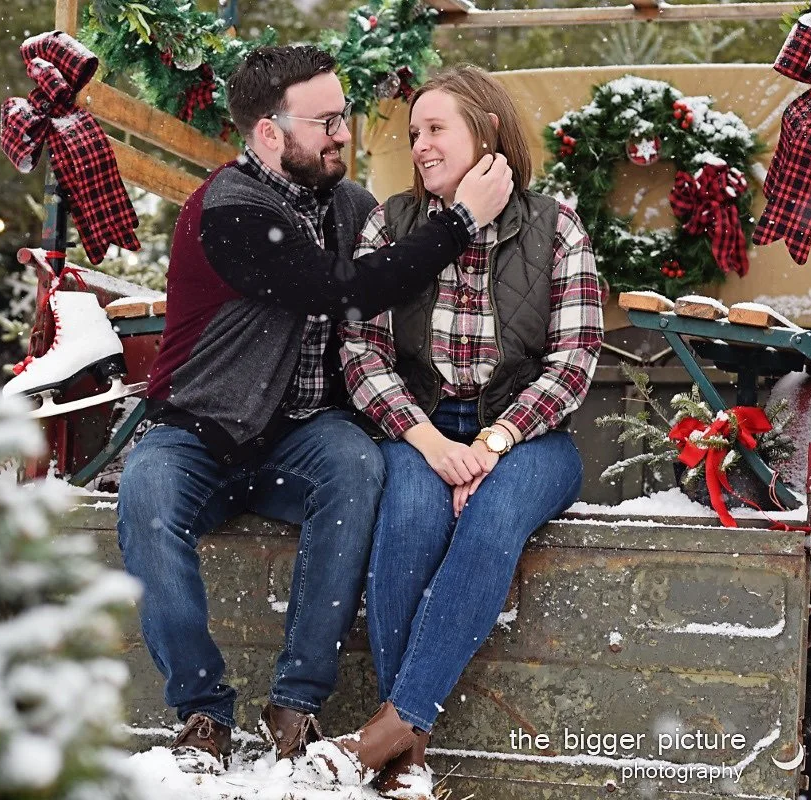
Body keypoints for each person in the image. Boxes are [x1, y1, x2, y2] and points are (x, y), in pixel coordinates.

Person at [115, 47, 514, 775]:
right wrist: (460, 221)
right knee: (146, 497)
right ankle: (203, 710)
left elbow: (389, 294)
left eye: (344, 115)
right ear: (270, 133)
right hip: (199, 432)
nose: (342, 132)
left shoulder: (351, 207)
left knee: (356, 465)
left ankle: (296, 702)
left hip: (300, 436)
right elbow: (345, 289)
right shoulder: (230, 209)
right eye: (326, 120)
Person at [304, 65, 604, 797]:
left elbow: (575, 359)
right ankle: (408, 759)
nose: (422, 146)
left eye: (437, 128)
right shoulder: (395, 223)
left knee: (494, 519)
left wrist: (493, 444)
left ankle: (388, 729)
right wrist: (428, 440)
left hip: (531, 438)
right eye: (415, 134)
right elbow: (361, 349)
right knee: (407, 514)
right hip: (421, 428)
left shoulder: (554, 224)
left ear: (488, 130)